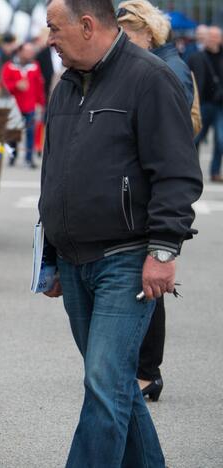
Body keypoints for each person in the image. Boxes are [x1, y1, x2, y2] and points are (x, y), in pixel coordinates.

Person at [41, 0, 203, 466]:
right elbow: (54, 173)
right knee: (114, 388)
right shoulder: (66, 86)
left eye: (54, 28)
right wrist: (50, 255)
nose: (48, 39)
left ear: (87, 25)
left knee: (104, 386)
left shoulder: (150, 79)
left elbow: (177, 173)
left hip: (127, 260)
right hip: (74, 263)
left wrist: (164, 250)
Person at [117, 0, 198, 403]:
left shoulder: (166, 69)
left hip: (155, 194)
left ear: (148, 32)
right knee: (145, 285)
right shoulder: (163, 63)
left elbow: (172, 139)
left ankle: (148, 372)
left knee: (150, 284)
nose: (122, 43)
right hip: (149, 191)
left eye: (128, 35)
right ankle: (145, 369)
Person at [1, 42, 46, 168]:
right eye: (27, 51)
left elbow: (39, 87)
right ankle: (12, 156)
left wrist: (40, 103)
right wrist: (16, 85)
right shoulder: (9, 66)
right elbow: (3, 85)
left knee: (31, 133)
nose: (30, 53)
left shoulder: (35, 66)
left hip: (30, 106)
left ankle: (29, 158)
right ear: (20, 51)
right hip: (14, 107)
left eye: (31, 51)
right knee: (13, 133)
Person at [188, 26, 223, 182]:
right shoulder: (196, 57)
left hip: (220, 106)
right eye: (210, 36)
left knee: (221, 140)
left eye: (216, 36)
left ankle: (215, 172)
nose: (213, 39)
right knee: (195, 139)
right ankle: (193, 171)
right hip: (202, 105)